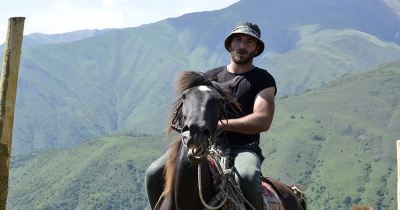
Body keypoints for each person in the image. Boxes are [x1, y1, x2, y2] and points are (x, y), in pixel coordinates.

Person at [145, 21, 276, 210]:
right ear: (230, 45)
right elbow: (191, 108)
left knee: (247, 178)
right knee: (154, 173)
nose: (242, 45)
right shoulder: (210, 77)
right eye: (237, 40)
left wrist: (222, 124)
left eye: (249, 42)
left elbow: (263, 120)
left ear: (256, 49)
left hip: (242, 147)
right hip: (205, 143)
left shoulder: (262, 79)